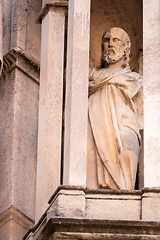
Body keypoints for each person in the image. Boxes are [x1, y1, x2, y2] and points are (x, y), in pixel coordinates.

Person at [87, 27, 142, 190]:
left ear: (126, 48)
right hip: (96, 127)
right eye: (106, 40)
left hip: (125, 125)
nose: (110, 44)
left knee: (127, 153)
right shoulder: (90, 75)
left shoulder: (135, 78)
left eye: (115, 40)